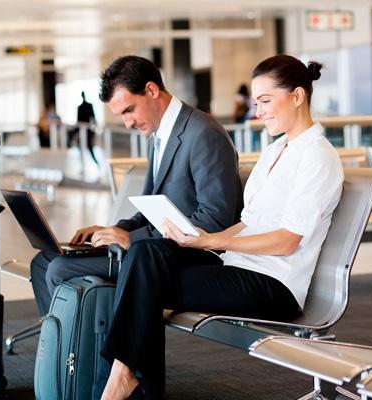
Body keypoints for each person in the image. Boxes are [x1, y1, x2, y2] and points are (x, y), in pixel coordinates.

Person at [99, 54, 344, 400]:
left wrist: (209, 241)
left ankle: (120, 382)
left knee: (146, 280)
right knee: (146, 253)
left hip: (274, 285)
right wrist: (197, 239)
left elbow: (288, 241)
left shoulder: (317, 157)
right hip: (238, 269)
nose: (258, 112)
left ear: (298, 96)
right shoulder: (275, 151)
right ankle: (126, 379)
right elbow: (247, 222)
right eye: (257, 102)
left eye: (265, 101)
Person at [29, 55, 241, 320]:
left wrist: (133, 240)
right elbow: (150, 208)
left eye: (129, 110)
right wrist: (115, 230)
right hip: (153, 247)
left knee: (60, 268)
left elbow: (214, 219)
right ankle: (59, 352)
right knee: (43, 262)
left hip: (190, 255)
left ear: (152, 90)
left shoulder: (203, 133)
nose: (127, 123)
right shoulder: (159, 136)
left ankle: (84, 358)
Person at [68, 91, 100, 165]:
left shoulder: (86, 106)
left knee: (89, 147)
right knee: (83, 147)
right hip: (83, 130)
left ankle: (96, 164)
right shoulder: (82, 106)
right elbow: (80, 120)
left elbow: (92, 118)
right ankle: (85, 165)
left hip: (87, 130)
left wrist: (94, 129)